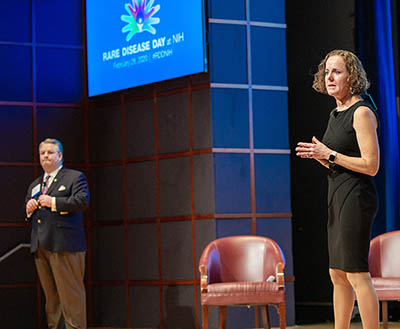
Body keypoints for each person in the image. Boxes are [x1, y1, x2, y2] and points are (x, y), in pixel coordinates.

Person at [296, 49, 380, 329]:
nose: (329, 77)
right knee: (337, 274)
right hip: (337, 194)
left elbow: (371, 165)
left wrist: (329, 154)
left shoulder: (362, 112)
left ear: (352, 77)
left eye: (337, 72)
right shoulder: (336, 113)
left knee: (357, 273)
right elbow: (338, 163)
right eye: (327, 72)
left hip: (357, 198)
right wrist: (320, 156)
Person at [25, 138, 89, 329]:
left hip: (65, 245)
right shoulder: (35, 184)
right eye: (42, 153)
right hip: (42, 245)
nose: (46, 156)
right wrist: (29, 209)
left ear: (60, 156)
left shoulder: (74, 177)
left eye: (50, 152)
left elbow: (81, 202)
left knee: (71, 296)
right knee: (52, 300)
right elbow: (32, 211)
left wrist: (53, 202)